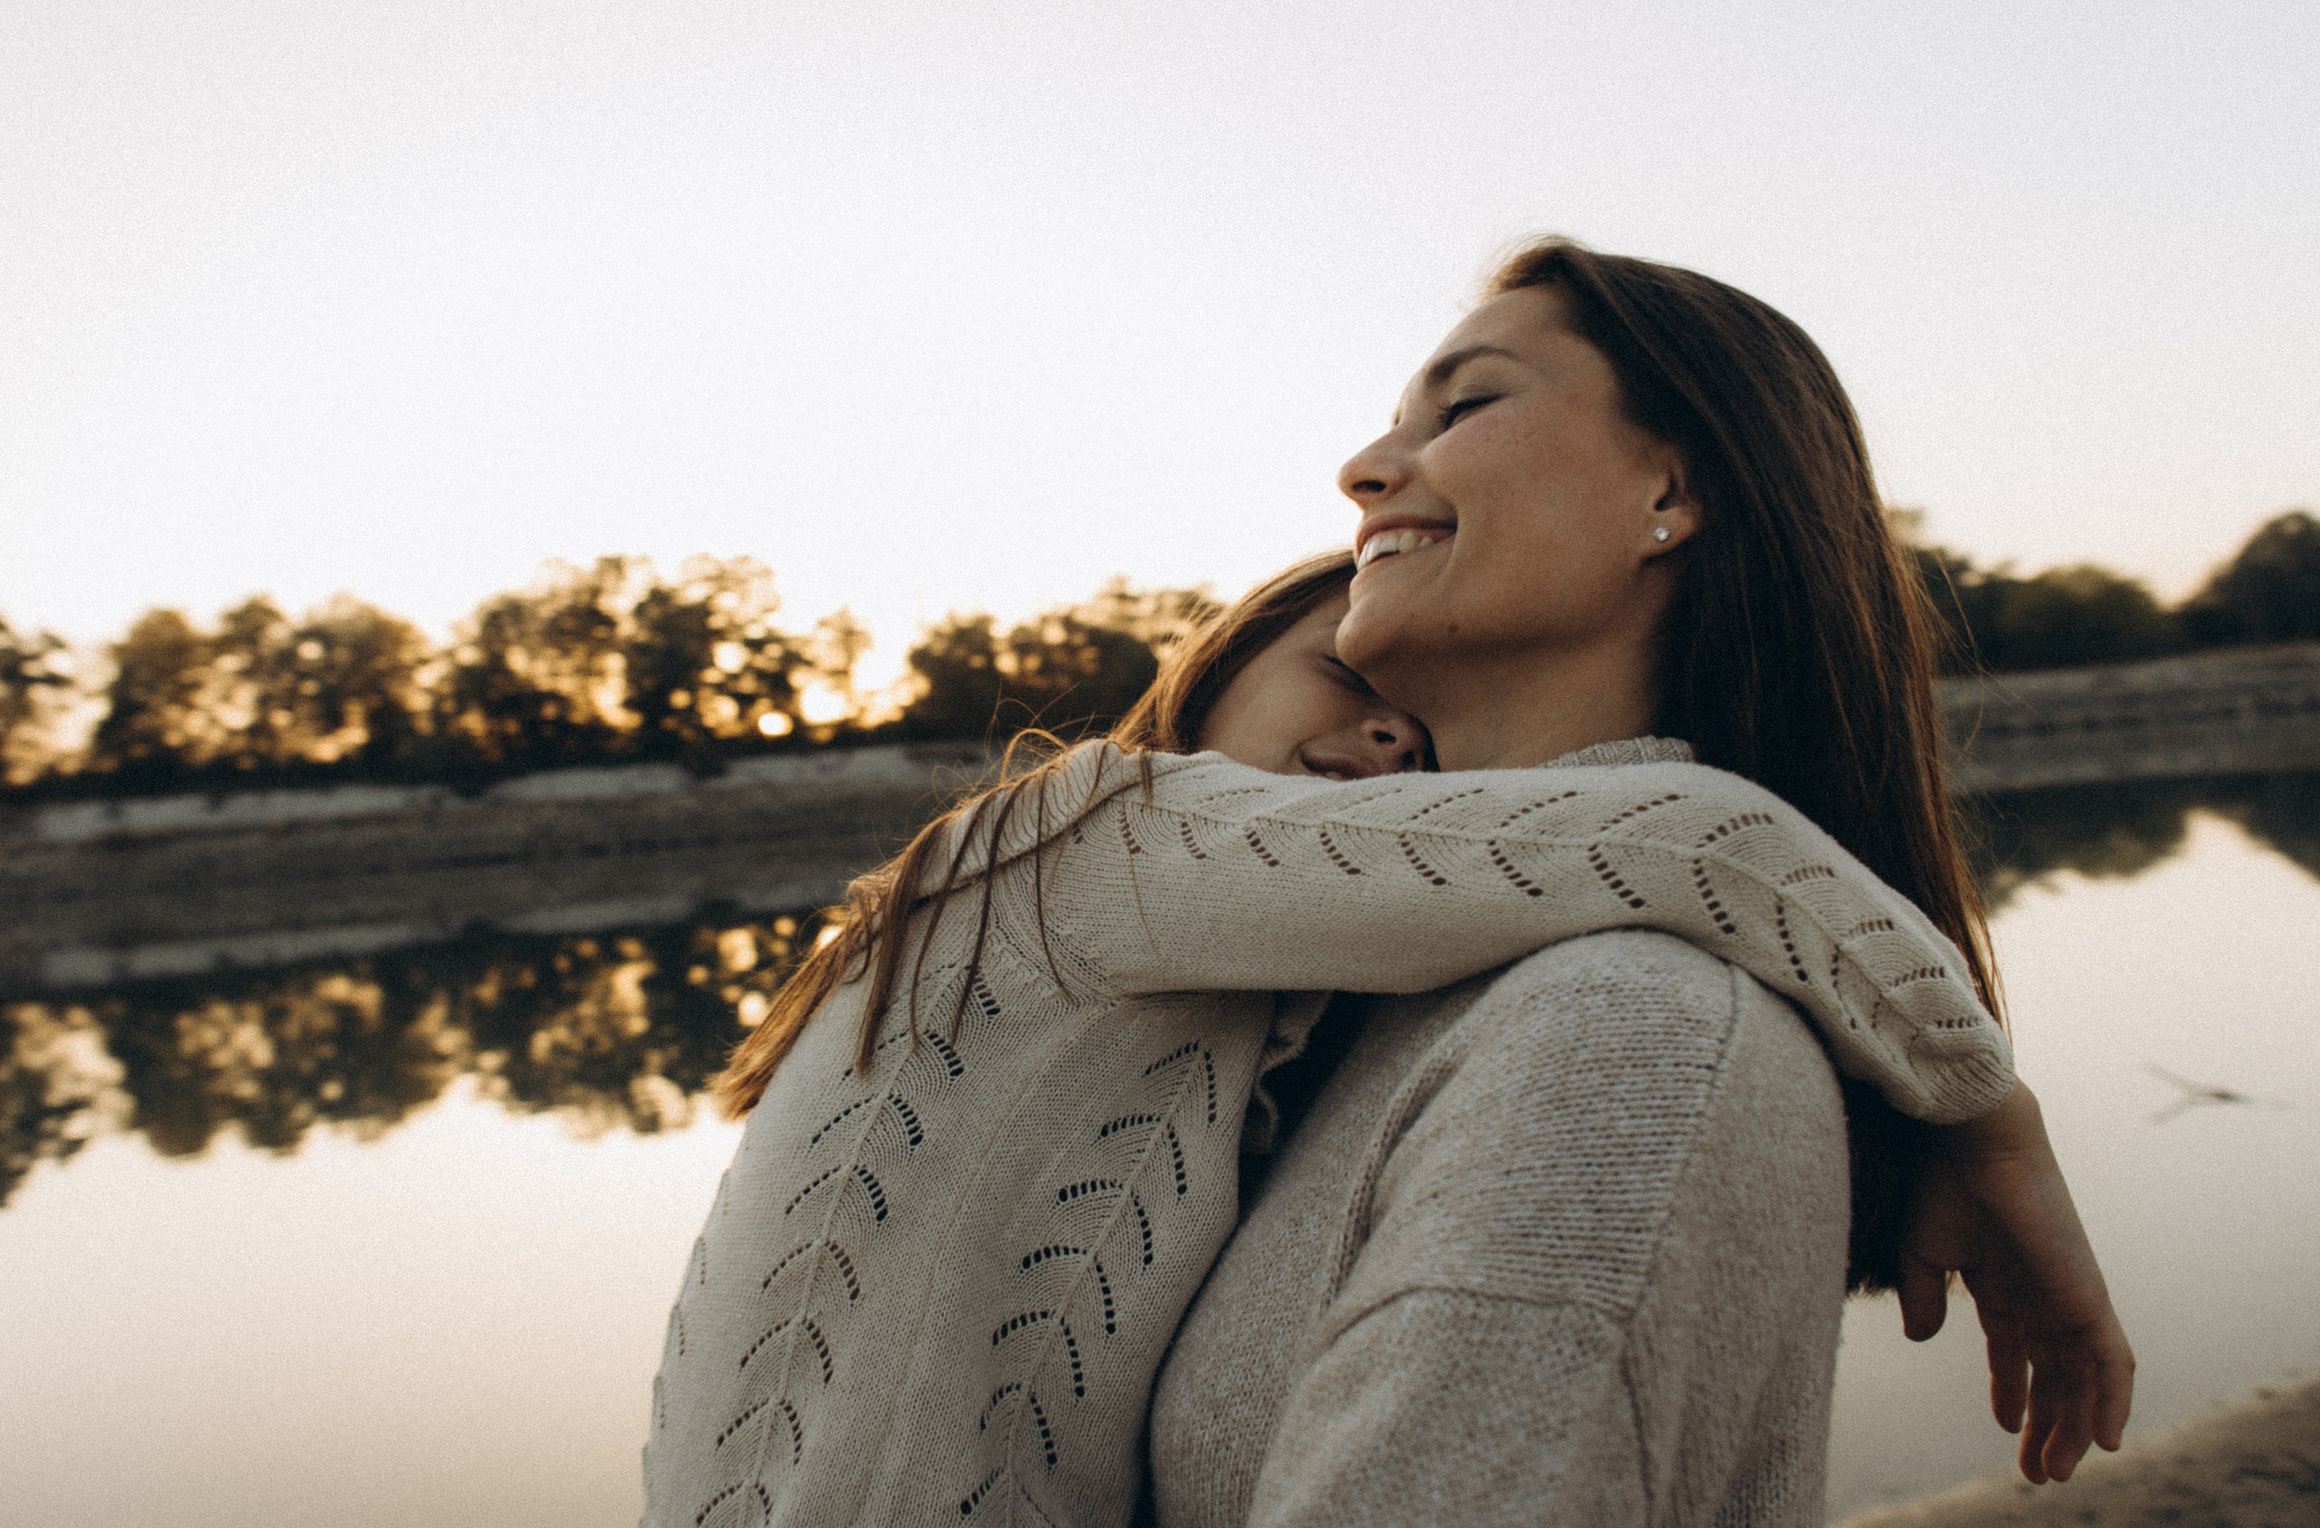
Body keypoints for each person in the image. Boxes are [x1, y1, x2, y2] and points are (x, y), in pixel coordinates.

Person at [640, 546, 2058, 1523]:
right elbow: (1717, 848)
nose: (1389, 743)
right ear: (1228, 655)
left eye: (1427, 742)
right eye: (1345, 675)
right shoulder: (1094, 832)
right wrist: (1981, 1115)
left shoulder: (1235, 1011)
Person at [1143, 240, 2132, 1525]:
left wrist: (1965, 1089)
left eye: (1468, 404)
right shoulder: (1356, 993)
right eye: (1393, 424)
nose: (1365, 469)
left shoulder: (1633, 1040)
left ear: (1671, 486)